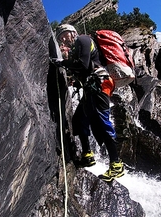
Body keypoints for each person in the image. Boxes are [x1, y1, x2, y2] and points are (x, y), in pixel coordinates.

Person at [51, 24, 124, 182]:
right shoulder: (76, 49)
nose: (63, 39)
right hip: (92, 87)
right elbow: (83, 68)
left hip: (100, 85)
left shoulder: (84, 40)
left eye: (64, 35)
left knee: (102, 123)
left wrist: (61, 63)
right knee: (78, 120)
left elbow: (83, 65)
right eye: (60, 38)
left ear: (72, 32)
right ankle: (88, 155)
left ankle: (116, 165)